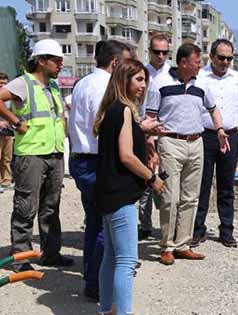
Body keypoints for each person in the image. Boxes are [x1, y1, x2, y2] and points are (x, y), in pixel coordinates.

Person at [146, 43, 228, 265]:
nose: (200, 64)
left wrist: (220, 129)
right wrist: (151, 147)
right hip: (170, 143)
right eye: (197, 60)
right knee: (170, 198)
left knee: (191, 198)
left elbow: (213, 109)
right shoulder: (159, 84)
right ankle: (166, 246)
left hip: (196, 143)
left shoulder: (201, 85)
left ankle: (183, 244)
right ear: (183, 62)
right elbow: (150, 117)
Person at [93, 58, 164, 315]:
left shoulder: (113, 108)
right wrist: (151, 177)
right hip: (120, 194)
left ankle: (106, 309)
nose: (143, 86)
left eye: (145, 80)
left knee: (111, 257)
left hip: (109, 192)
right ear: (124, 80)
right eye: (138, 80)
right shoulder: (122, 109)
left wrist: (143, 137)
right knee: (127, 260)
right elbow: (125, 156)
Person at [0, 39, 74, 271]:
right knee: (25, 207)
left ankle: (50, 253)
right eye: (56, 60)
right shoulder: (24, 83)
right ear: (41, 61)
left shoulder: (53, 86)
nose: (61, 64)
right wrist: (15, 121)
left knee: (51, 207)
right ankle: (20, 258)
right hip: (31, 154)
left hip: (54, 153)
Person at [68, 40, 131, 301]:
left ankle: (93, 279)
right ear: (115, 63)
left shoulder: (84, 83)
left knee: (95, 222)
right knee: (106, 225)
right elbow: (103, 128)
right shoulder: (101, 87)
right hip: (96, 162)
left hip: (86, 160)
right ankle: (98, 283)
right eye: (126, 63)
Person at [194, 39, 238, 248]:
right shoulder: (200, 77)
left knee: (226, 186)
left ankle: (226, 231)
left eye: (229, 58)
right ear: (211, 56)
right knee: (202, 185)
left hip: (231, 136)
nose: (225, 62)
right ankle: (197, 229)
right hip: (205, 136)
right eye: (221, 57)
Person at [138, 34, 172, 240]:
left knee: (167, 180)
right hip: (144, 134)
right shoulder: (141, 74)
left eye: (164, 52)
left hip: (167, 135)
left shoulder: (173, 74)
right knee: (145, 180)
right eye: (156, 52)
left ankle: (168, 228)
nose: (160, 56)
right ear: (149, 51)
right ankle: (145, 225)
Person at [0, 72, 13, 193]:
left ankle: (6, 181)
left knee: (7, 158)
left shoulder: (9, 98)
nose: (3, 85)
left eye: (5, 83)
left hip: (8, 132)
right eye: (1, 83)